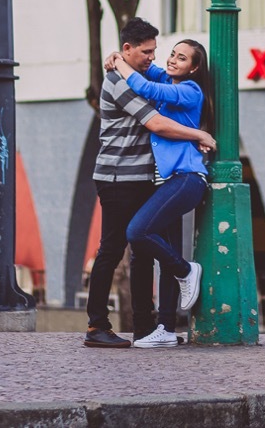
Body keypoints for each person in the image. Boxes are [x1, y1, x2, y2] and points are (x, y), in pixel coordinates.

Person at [84, 18, 216, 349]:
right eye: (147, 52)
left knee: (141, 252)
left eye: (156, 51)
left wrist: (118, 56)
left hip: (141, 177)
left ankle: (147, 327)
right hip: (117, 177)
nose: (154, 59)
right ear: (129, 50)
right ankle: (96, 325)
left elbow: (157, 84)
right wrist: (199, 133)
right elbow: (156, 122)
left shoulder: (148, 75)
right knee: (113, 248)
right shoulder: (120, 81)